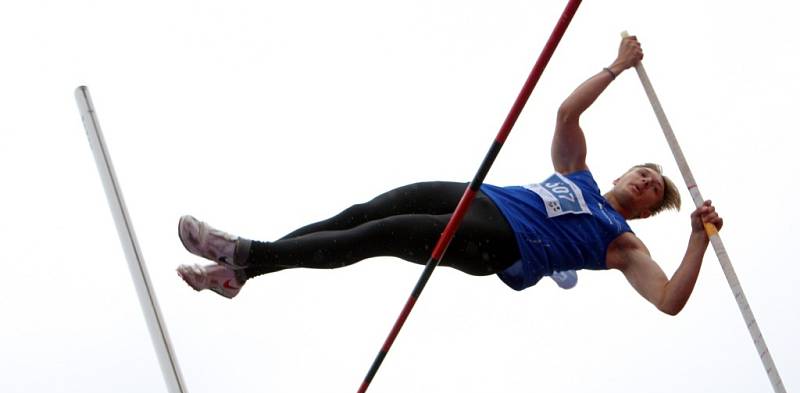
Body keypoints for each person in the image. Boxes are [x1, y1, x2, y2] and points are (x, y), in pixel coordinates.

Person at [176, 36, 722, 316]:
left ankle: (248, 253)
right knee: (367, 211)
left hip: (501, 243)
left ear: (647, 211)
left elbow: (670, 299)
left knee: (372, 238)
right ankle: (245, 272)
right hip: (480, 197)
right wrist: (617, 66)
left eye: (652, 189)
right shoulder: (578, 174)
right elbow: (565, 114)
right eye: (645, 172)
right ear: (626, 171)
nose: (646, 182)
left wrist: (696, 239)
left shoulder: (623, 243)